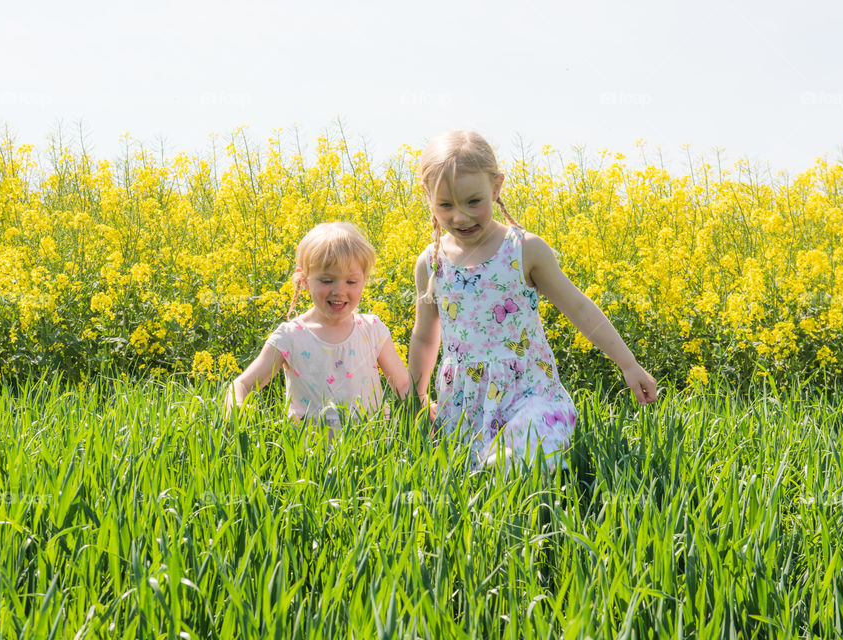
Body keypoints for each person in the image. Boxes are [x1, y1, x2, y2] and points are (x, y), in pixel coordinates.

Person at [408, 131, 657, 468]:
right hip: (465, 404)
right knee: (468, 475)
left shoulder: (524, 250)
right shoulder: (431, 263)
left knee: (512, 462)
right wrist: (417, 399)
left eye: (473, 201)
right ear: (428, 196)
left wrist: (628, 363)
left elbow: (579, 308)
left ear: (496, 187)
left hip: (531, 395)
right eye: (445, 205)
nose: (460, 217)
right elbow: (425, 336)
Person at [225, 222, 410, 430]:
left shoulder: (372, 329)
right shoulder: (290, 336)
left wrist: (425, 408)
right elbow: (243, 383)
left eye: (351, 282)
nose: (339, 291)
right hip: (309, 457)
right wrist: (236, 404)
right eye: (326, 280)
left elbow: (402, 385)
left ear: (364, 280)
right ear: (304, 280)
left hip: (371, 454)